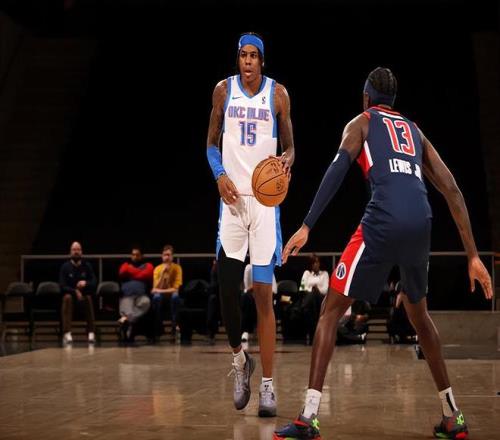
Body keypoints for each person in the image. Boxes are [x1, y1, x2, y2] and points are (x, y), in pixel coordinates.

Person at [274, 67, 492, 440]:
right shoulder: (414, 131)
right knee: (420, 316)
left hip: (383, 220)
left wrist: (307, 224)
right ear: (394, 100)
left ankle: (308, 418)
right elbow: (452, 188)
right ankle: (452, 415)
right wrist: (472, 255)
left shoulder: (361, 123)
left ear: (366, 97)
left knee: (329, 313)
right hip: (421, 222)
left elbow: (336, 171)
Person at [206, 32, 295, 416]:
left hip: (263, 206)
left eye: (253, 56)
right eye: (242, 55)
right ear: (237, 59)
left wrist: (287, 161)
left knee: (262, 294)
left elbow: (290, 147)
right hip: (231, 202)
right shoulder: (223, 91)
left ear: (262, 60)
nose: (247, 61)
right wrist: (219, 175)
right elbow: (211, 144)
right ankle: (241, 361)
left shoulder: (278, 95)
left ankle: (269, 387)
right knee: (226, 290)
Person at [59, 241, 97, 344]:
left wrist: (86, 283)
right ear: (70, 252)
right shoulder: (65, 267)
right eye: (74, 250)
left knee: (88, 297)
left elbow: (94, 282)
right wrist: (75, 291)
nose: (76, 252)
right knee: (67, 297)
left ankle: (91, 332)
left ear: (81, 252)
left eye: (78, 249)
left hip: (83, 298)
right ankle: (67, 333)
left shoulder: (87, 266)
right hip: (71, 299)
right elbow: (62, 286)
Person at [118, 246, 154, 342]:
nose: (135, 257)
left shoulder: (147, 265)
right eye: (133, 254)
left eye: (137, 255)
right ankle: (129, 330)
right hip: (127, 296)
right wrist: (139, 273)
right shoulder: (125, 264)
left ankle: (127, 320)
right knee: (127, 310)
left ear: (141, 256)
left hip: (141, 296)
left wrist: (131, 272)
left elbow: (147, 274)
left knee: (146, 302)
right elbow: (122, 272)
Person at [150, 244, 183, 340]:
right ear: (162, 256)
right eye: (165, 255)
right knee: (156, 298)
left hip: (172, 295)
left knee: (175, 297)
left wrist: (158, 290)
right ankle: (159, 327)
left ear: (172, 256)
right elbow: (155, 287)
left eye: (169, 255)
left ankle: (174, 326)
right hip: (161, 295)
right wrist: (162, 274)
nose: (167, 257)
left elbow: (176, 289)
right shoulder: (157, 269)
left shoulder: (177, 268)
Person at [241, 263, 277, 344]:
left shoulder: (268, 268)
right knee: (246, 298)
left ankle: (266, 331)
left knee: (266, 302)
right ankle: (245, 331)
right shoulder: (249, 268)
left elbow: (274, 289)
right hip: (252, 295)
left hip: (265, 296)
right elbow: (247, 287)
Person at [299, 254, 329, 344]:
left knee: (314, 295)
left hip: (321, 299)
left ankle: (303, 307)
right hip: (310, 299)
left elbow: (325, 290)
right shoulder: (306, 273)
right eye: (313, 263)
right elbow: (302, 288)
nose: (315, 264)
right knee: (311, 298)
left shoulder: (324, 274)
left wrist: (314, 288)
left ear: (319, 263)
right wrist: (313, 288)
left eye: (317, 262)